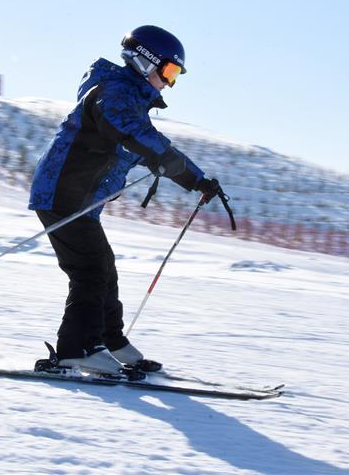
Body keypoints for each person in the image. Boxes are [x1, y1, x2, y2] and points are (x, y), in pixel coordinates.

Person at [28, 25, 223, 374]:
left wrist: (198, 181)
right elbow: (137, 135)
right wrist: (186, 174)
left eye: (175, 74)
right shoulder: (114, 94)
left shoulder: (128, 100)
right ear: (143, 61)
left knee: (104, 267)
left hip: (80, 199)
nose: (170, 82)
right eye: (169, 71)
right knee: (90, 270)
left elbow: (148, 142)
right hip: (62, 194)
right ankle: (75, 349)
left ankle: (110, 341)